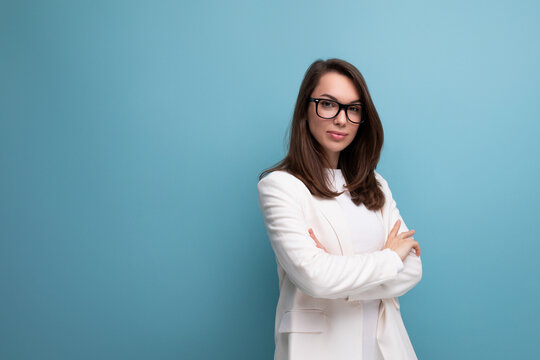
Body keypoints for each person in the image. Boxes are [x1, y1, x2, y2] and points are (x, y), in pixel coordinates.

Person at [257, 58, 423, 360]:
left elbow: (412, 269)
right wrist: (388, 257)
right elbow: (315, 277)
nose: (342, 119)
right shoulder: (280, 186)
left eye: (354, 108)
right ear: (306, 111)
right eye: (328, 104)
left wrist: (334, 271)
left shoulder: (376, 185)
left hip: (386, 348)